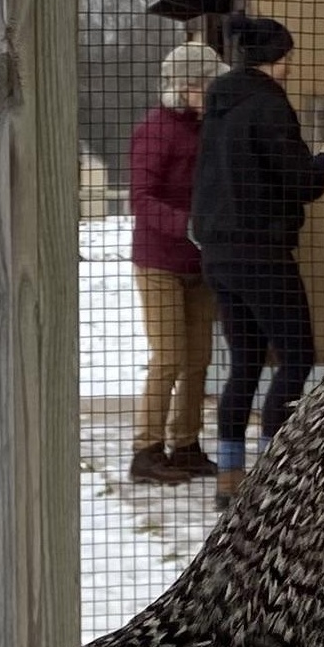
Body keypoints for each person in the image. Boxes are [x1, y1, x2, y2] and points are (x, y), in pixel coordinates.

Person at [188, 12, 324, 497]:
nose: (290, 66)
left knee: (246, 360)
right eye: (287, 56)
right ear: (274, 58)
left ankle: (231, 476)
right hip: (261, 251)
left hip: (219, 252)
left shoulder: (220, 102)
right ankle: (274, 473)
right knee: (297, 357)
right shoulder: (269, 106)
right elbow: (297, 181)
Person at [127, 42, 221, 485]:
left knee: (199, 358)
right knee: (169, 356)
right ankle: (146, 450)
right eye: (208, 84)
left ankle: (185, 444)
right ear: (185, 87)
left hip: (199, 261)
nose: (213, 91)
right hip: (159, 259)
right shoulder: (156, 129)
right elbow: (141, 198)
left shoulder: (209, 127)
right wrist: (187, 224)